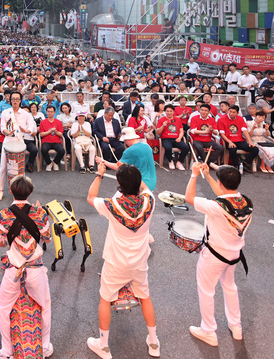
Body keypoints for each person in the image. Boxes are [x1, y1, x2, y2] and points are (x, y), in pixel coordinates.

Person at [86, 163, 160, 359]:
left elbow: (91, 197)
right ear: (138, 183)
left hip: (116, 262)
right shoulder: (149, 201)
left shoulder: (112, 205)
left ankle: (103, 346)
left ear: (118, 184)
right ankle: (154, 342)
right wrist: (131, 173)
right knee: (145, 296)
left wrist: (99, 175)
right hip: (140, 261)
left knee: (105, 298)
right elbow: (144, 188)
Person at [184, 163, 253, 346]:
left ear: (221, 182)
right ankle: (236, 326)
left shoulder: (217, 206)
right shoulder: (246, 202)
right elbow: (225, 194)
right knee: (230, 287)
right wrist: (208, 176)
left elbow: (189, 197)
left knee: (207, 291)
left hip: (214, 255)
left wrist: (194, 175)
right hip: (234, 254)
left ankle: (208, 330)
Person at [0, 176, 53, 359]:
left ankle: (7, 351)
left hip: (13, 270)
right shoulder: (40, 213)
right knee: (44, 306)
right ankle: (44, 347)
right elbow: (48, 238)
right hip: (35, 269)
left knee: (4, 307)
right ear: (30, 192)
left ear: (11, 191)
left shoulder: (3, 215)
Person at [0, 91, 35, 201]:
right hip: (8, 140)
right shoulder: (5, 113)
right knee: (3, 167)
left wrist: (26, 130)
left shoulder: (25, 114)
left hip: (20, 142)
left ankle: (21, 193)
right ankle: (0, 190)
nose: (15, 101)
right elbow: (2, 126)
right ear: (10, 100)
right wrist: (6, 132)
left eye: (17, 99)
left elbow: (31, 126)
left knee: (20, 169)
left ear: (20, 100)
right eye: (13, 99)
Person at [98, 127, 157, 191]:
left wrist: (103, 161)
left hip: (139, 184)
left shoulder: (129, 151)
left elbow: (118, 166)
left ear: (127, 139)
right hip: (152, 182)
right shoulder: (147, 146)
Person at [217, 105, 258, 172]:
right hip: (228, 140)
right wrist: (229, 142)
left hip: (239, 140)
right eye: (230, 111)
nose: (231, 113)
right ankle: (236, 165)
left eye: (233, 112)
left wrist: (250, 141)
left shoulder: (240, 119)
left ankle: (244, 164)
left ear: (237, 113)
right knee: (233, 149)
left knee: (255, 149)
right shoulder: (221, 119)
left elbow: (245, 131)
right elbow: (222, 134)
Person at [189, 103, 223, 169]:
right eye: (202, 110)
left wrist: (212, 130)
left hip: (208, 140)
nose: (203, 112)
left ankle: (205, 162)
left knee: (220, 148)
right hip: (197, 139)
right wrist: (205, 131)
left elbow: (216, 132)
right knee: (199, 147)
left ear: (209, 112)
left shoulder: (212, 120)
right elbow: (193, 131)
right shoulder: (194, 118)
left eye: (205, 110)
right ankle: (209, 164)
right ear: (199, 110)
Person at [156, 104, 189, 170]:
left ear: (173, 112)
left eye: (171, 111)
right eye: (167, 111)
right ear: (165, 112)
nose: (169, 113)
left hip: (176, 138)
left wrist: (179, 138)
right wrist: (163, 126)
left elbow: (181, 131)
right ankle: (170, 161)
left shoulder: (177, 119)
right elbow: (157, 132)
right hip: (166, 139)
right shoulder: (162, 120)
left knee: (186, 147)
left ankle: (179, 162)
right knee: (168, 147)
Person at [39, 105, 65, 171]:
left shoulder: (58, 122)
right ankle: (49, 163)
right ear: (46, 112)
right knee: (44, 149)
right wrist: (49, 131)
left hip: (56, 141)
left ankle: (55, 162)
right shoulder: (43, 122)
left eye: (51, 111)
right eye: (48, 111)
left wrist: (55, 131)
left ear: (54, 112)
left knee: (62, 150)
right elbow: (41, 134)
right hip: (46, 141)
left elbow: (60, 134)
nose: (50, 113)